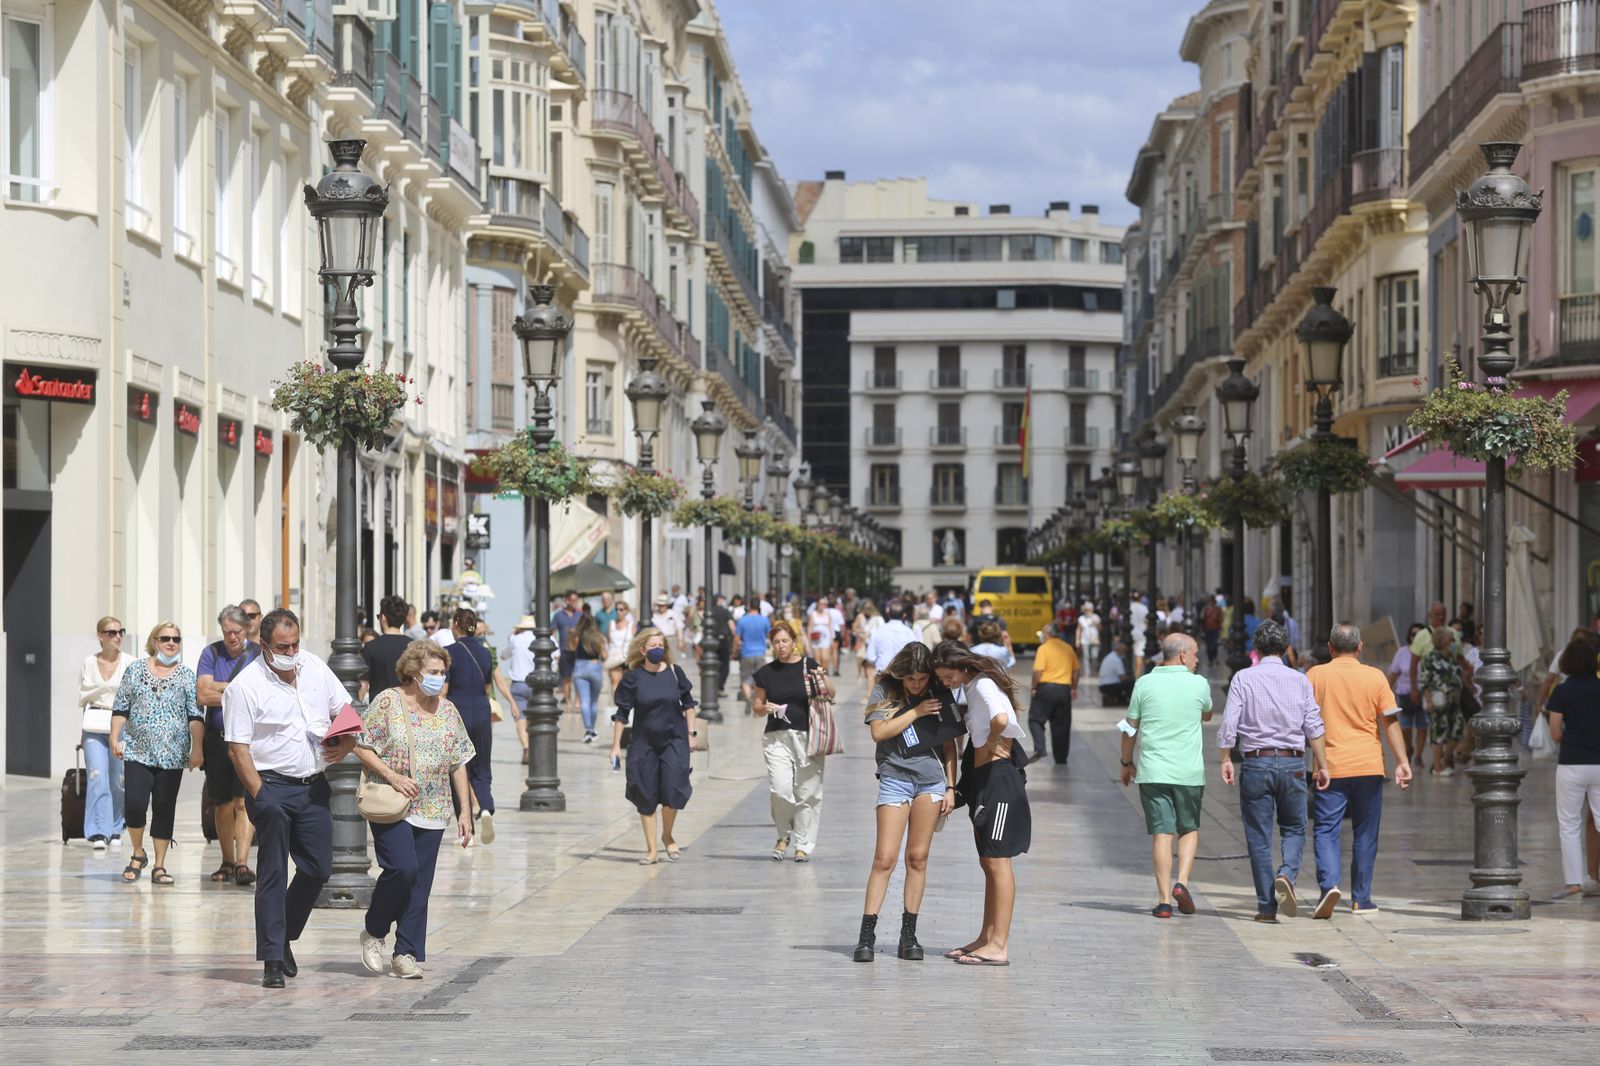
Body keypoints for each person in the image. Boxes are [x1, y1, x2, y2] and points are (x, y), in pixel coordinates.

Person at [224, 608, 358, 988]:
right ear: (264, 645)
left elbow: (345, 709)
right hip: (271, 788)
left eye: (296, 643)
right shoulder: (245, 686)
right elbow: (238, 749)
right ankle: (270, 960)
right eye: (283, 646)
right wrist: (260, 796)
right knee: (273, 871)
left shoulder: (314, 666)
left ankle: (282, 936)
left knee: (318, 869)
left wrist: (346, 739)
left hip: (313, 786)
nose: (291, 651)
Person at [355, 640, 475, 979]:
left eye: (442, 672)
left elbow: (459, 762)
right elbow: (361, 746)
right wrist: (393, 776)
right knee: (403, 870)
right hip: (394, 804)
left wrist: (465, 811)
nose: (439, 678)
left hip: (435, 807)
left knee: (420, 885)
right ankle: (374, 931)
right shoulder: (388, 702)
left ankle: (405, 952)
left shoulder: (448, 711)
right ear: (413, 672)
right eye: (432, 672)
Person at [853, 642, 961, 963]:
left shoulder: (940, 692)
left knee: (918, 858)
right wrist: (916, 711)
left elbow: (950, 744)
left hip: (931, 781)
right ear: (901, 673)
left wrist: (952, 786)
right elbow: (879, 733)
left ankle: (908, 934)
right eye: (911, 678)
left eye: (922, 679)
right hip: (895, 778)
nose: (916, 684)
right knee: (884, 859)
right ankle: (867, 936)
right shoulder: (885, 689)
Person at [1217, 620, 1330, 923]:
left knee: (1258, 836)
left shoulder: (1243, 678)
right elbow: (1314, 726)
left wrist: (1226, 756)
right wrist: (1321, 765)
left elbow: (1229, 723)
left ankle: (1267, 907)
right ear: (1285, 648)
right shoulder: (1300, 680)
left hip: (1256, 762)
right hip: (1293, 762)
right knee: (1294, 828)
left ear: (1256, 648)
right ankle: (1288, 874)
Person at [932, 643, 1030, 966]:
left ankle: (999, 945)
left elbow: (1001, 718)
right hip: (987, 780)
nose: (946, 683)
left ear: (961, 667)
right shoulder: (972, 687)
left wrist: (990, 742)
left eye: (948, 676)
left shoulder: (984, 684)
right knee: (988, 863)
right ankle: (986, 937)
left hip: (1001, 780)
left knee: (998, 862)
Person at [1306, 623, 1413, 916]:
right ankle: (1361, 898)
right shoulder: (1375, 677)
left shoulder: (1315, 675)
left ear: (1330, 647)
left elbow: (1303, 718)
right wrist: (1402, 762)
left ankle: (1329, 886)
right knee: (1366, 832)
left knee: (1326, 830)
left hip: (1330, 766)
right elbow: (1390, 722)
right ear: (1360, 647)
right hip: (1368, 766)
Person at [1119, 633, 1212, 919]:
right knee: (1188, 829)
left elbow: (1129, 727)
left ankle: (1163, 902)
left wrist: (1126, 762)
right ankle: (1181, 883)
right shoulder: (1199, 684)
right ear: (1183, 656)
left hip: (1152, 771)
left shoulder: (1144, 683)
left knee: (1162, 833)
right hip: (1188, 772)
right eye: (1195, 654)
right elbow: (1207, 715)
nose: (1197, 660)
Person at [110, 621, 203, 888]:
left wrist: (197, 748)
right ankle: (138, 853)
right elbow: (121, 708)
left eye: (176, 638)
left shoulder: (186, 675)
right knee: (135, 805)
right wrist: (114, 736)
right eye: (165, 638)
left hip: (172, 755)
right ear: (154, 641)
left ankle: (160, 865)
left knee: (164, 807)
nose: (171, 643)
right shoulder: (135, 670)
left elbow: (195, 716)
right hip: (138, 751)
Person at [608, 629, 702, 864]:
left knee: (674, 788)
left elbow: (689, 705)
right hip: (644, 742)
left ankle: (667, 834)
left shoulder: (674, 672)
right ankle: (651, 851)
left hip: (675, 740)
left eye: (661, 645)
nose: (658, 649)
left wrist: (691, 733)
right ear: (643, 650)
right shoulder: (633, 678)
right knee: (645, 793)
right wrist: (615, 746)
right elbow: (622, 714)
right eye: (653, 645)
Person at [752, 620, 834, 862]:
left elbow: (831, 693)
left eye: (785, 641)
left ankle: (802, 844)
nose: (780, 646)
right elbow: (756, 706)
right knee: (781, 790)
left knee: (808, 793)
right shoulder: (766, 673)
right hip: (776, 736)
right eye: (776, 642)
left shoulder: (809, 666)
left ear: (794, 642)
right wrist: (763, 707)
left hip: (808, 736)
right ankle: (783, 834)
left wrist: (823, 678)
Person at [196, 605, 261, 885]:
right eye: (226, 632)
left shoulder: (258, 655)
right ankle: (227, 860)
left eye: (236, 631)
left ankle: (243, 862)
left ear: (246, 629)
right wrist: (236, 690)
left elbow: (260, 695)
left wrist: (219, 688)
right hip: (217, 737)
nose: (231, 637)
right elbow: (202, 694)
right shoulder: (210, 653)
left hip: (249, 740)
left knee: (243, 801)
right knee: (221, 802)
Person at [1543, 633, 1600, 899]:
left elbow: (1555, 732)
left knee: (1569, 823)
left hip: (1571, 764)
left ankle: (1574, 882)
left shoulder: (1562, 691)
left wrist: (1572, 738)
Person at [442, 607, 501, 842]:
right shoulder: (486, 654)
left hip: (458, 711)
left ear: (456, 624)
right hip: (481, 710)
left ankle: (465, 826)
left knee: (457, 767)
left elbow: (443, 692)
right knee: (482, 766)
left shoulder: (448, 653)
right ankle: (485, 808)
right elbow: (487, 687)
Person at [79, 616, 133, 850]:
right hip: (94, 724)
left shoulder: (130, 662)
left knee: (119, 780)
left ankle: (116, 827)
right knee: (96, 777)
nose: (117, 636)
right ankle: (98, 831)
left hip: (120, 725)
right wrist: (110, 688)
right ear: (100, 636)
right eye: (111, 632)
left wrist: (102, 690)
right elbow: (84, 695)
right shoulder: (88, 663)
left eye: (120, 631)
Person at [1029, 623, 1080, 765]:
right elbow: (1076, 670)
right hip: (1064, 690)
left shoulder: (1043, 648)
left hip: (1045, 689)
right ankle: (1061, 758)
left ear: (1047, 634)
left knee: (1035, 719)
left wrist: (1034, 687)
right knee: (1062, 725)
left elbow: (1037, 671)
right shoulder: (1068, 648)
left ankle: (1040, 748)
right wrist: (1074, 688)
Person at [1419, 625, 1465, 777]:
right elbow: (1424, 681)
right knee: (1439, 732)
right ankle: (1437, 766)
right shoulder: (1430, 658)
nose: (1453, 642)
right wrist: (1429, 700)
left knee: (1457, 731)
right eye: (1451, 639)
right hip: (1439, 702)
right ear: (1444, 641)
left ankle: (1446, 760)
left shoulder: (1451, 658)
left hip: (1455, 701)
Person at [360, 595, 413, 703]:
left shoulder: (371, 647)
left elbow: (363, 684)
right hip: (408, 708)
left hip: (380, 709)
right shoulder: (413, 646)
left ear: (383, 617)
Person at [1387, 623, 1426, 767]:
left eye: (1419, 634)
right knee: (1405, 727)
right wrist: (1385, 691)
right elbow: (1393, 675)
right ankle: (1408, 747)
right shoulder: (1402, 652)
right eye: (1413, 634)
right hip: (1404, 695)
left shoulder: (1428, 652)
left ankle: (1418, 756)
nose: (1416, 637)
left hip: (1424, 694)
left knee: (1423, 726)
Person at [502, 614, 538, 763]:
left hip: (518, 683)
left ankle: (526, 748)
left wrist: (511, 636)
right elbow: (557, 654)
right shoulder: (541, 638)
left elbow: (504, 655)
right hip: (537, 683)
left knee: (520, 718)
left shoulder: (515, 639)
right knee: (535, 718)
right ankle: (535, 748)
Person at [568, 612, 607, 742]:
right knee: (594, 702)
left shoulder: (577, 636)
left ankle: (588, 730)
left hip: (580, 667)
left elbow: (571, 648)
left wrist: (573, 634)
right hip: (594, 666)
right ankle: (593, 730)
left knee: (584, 701)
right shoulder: (598, 637)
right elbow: (604, 656)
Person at [865, 601, 920, 690]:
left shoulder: (878, 631)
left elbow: (870, 657)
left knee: (882, 702)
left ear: (888, 613)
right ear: (904, 615)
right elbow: (916, 653)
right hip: (902, 676)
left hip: (882, 674)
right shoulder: (909, 633)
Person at [1406, 601, 1450, 699]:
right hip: (1432, 691)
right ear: (1430, 616)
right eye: (1437, 614)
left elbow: (1460, 661)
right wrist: (1413, 689)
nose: (1441, 617)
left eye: (1443, 614)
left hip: (1452, 691)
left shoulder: (1453, 633)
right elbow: (1413, 665)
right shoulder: (1421, 636)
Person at [551, 591, 583, 715]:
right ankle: (568, 702)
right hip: (564, 650)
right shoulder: (558, 615)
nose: (575, 603)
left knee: (578, 677)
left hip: (578, 651)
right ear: (567, 601)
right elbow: (552, 632)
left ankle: (577, 702)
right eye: (573, 600)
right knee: (566, 678)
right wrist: (555, 649)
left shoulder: (580, 615)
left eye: (577, 600)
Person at [735, 603, 773, 704]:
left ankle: (748, 699)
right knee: (759, 681)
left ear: (749, 607)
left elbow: (736, 638)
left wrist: (734, 652)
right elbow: (769, 635)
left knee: (745, 680)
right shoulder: (764, 620)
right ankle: (758, 703)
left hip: (746, 653)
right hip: (760, 653)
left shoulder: (742, 620)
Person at [605, 601, 637, 691]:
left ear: (626, 611)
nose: (618, 612)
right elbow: (608, 640)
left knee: (628, 682)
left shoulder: (631, 624)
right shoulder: (611, 623)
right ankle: (616, 704)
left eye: (621, 609)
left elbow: (635, 640)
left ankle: (627, 703)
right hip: (614, 656)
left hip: (627, 657)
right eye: (616, 609)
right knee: (615, 681)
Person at [709, 593, 736, 692]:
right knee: (725, 664)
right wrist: (734, 637)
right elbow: (732, 626)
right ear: (719, 601)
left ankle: (713, 685)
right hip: (724, 640)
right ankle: (720, 686)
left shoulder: (710, 611)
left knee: (713, 664)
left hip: (712, 640)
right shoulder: (725, 611)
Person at [807, 598, 837, 676]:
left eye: (824, 604)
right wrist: (808, 641)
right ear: (817, 604)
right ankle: (818, 677)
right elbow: (810, 627)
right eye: (821, 604)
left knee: (825, 658)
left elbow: (831, 627)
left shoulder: (828, 614)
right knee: (817, 659)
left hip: (825, 638)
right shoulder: (813, 614)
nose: (822, 606)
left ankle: (824, 674)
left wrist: (832, 640)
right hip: (815, 638)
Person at [1077, 603, 1101, 668]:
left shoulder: (1096, 617)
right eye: (1086, 610)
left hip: (1094, 639)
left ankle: (1094, 668)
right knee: (1086, 656)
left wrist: (1095, 623)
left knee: (1094, 656)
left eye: (1089, 609)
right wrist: (1077, 640)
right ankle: (1087, 672)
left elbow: (1100, 627)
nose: (1087, 611)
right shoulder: (1081, 618)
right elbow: (1078, 629)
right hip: (1084, 640)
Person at [1201, 599, 1224, 667]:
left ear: (1214, 602)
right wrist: (1202, 629)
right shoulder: (1206, 609)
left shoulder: (1218, 609)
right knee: (1208, 645)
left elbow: (1221, 618)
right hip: (1207, 630)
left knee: (1214, 644)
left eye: (1212, 602)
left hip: (1215, 629)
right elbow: (1203, 619)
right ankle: (1210, 660)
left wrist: (1217, 618)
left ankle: (1215, 657)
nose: (1211, 603)